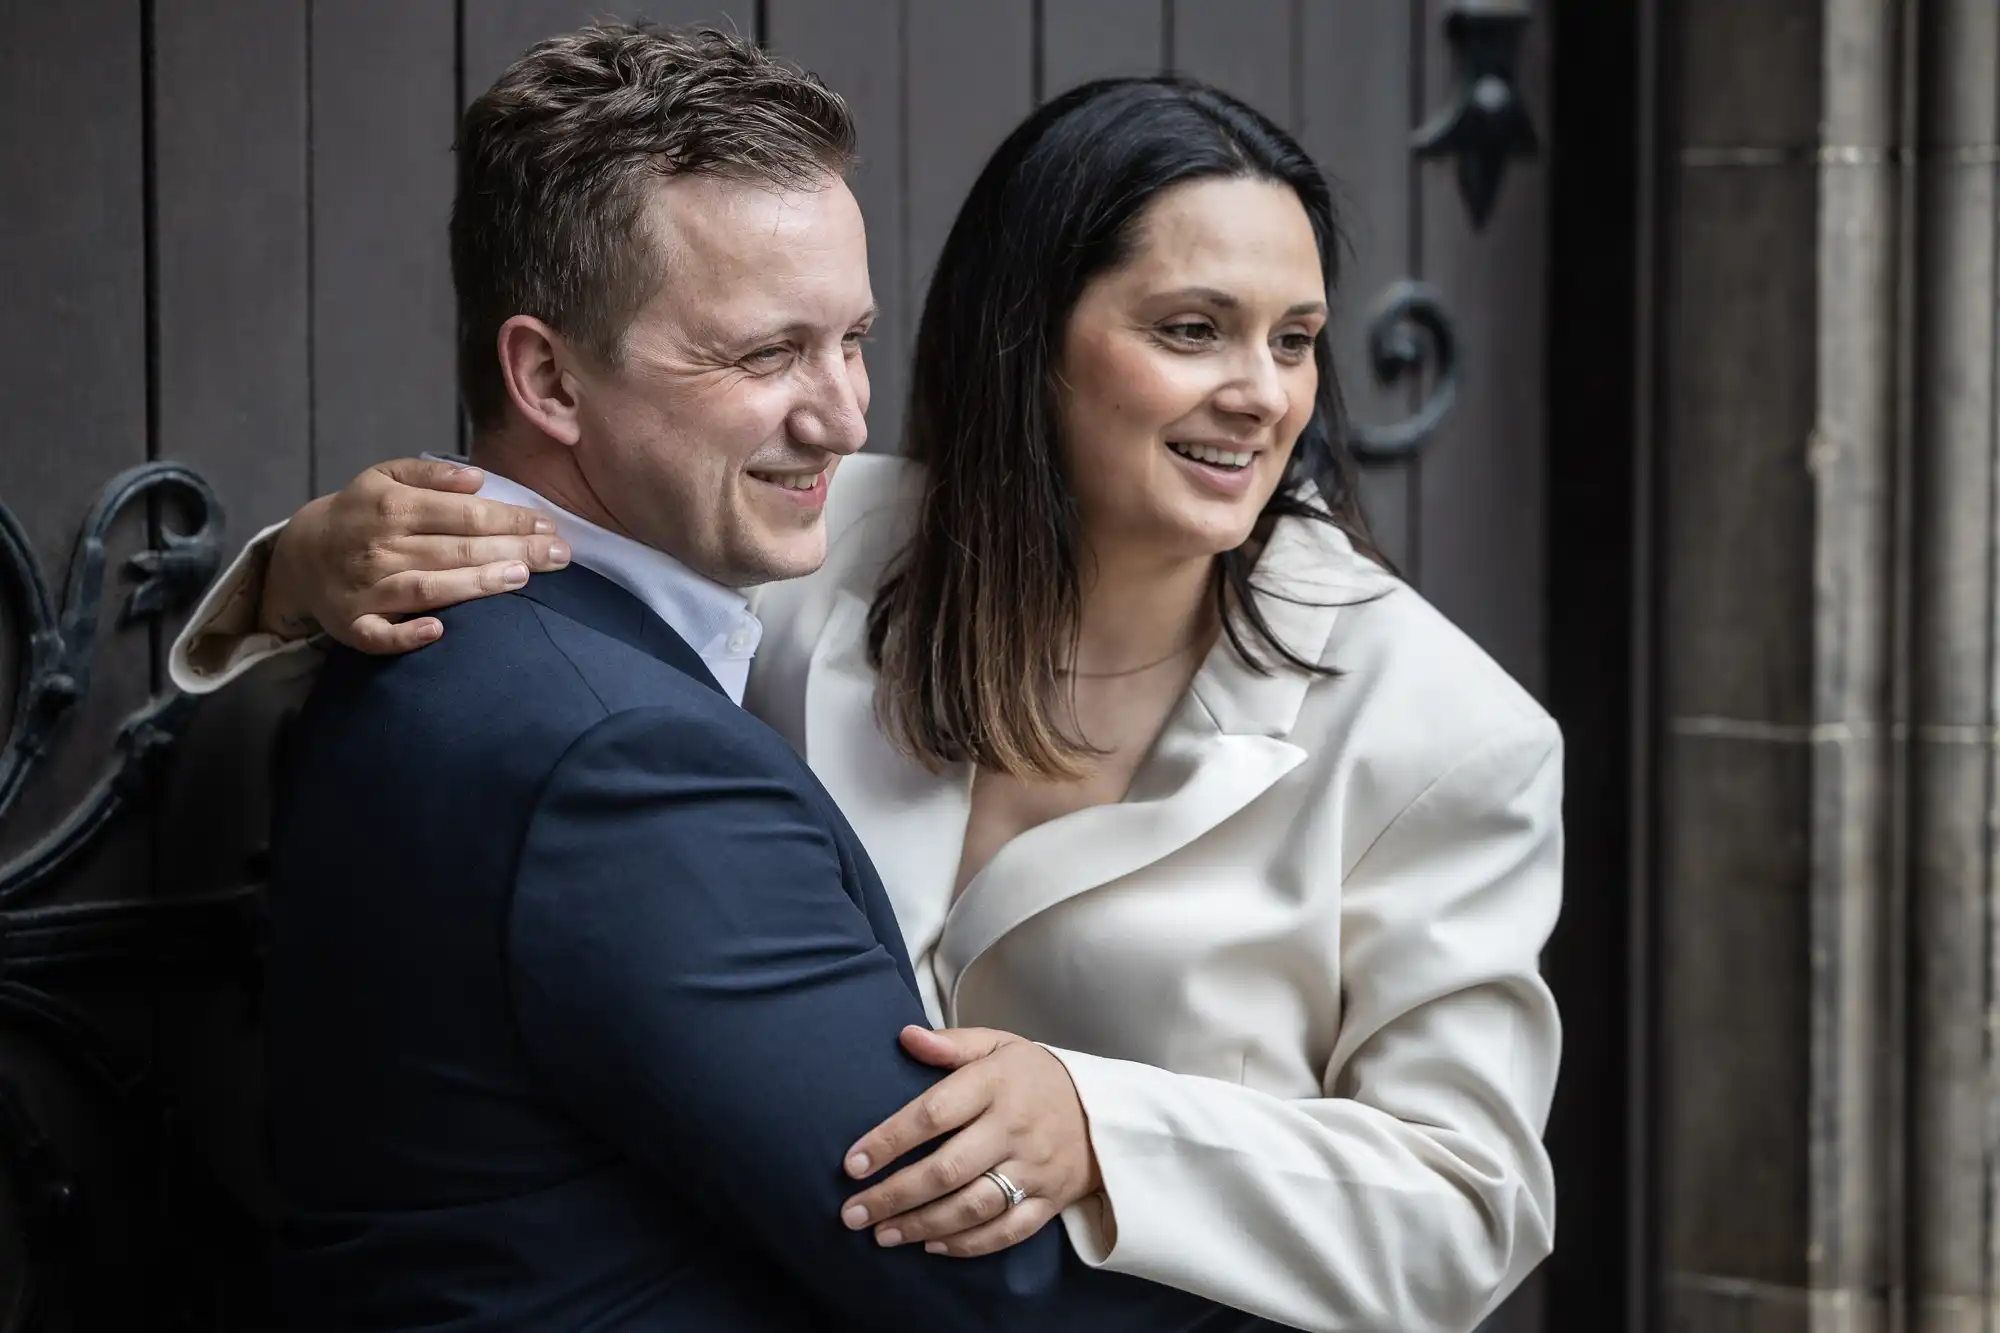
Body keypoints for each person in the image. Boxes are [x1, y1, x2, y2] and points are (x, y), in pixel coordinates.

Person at [176, 30, 1564, 1333]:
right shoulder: (823, 545)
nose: (1264, 392)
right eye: (1193, 329)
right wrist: (300, 568)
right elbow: (554, 606)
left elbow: (1472, 1203)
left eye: (1298, 338)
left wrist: (1109, 1126)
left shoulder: (1441, 731)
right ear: (1028, 337)